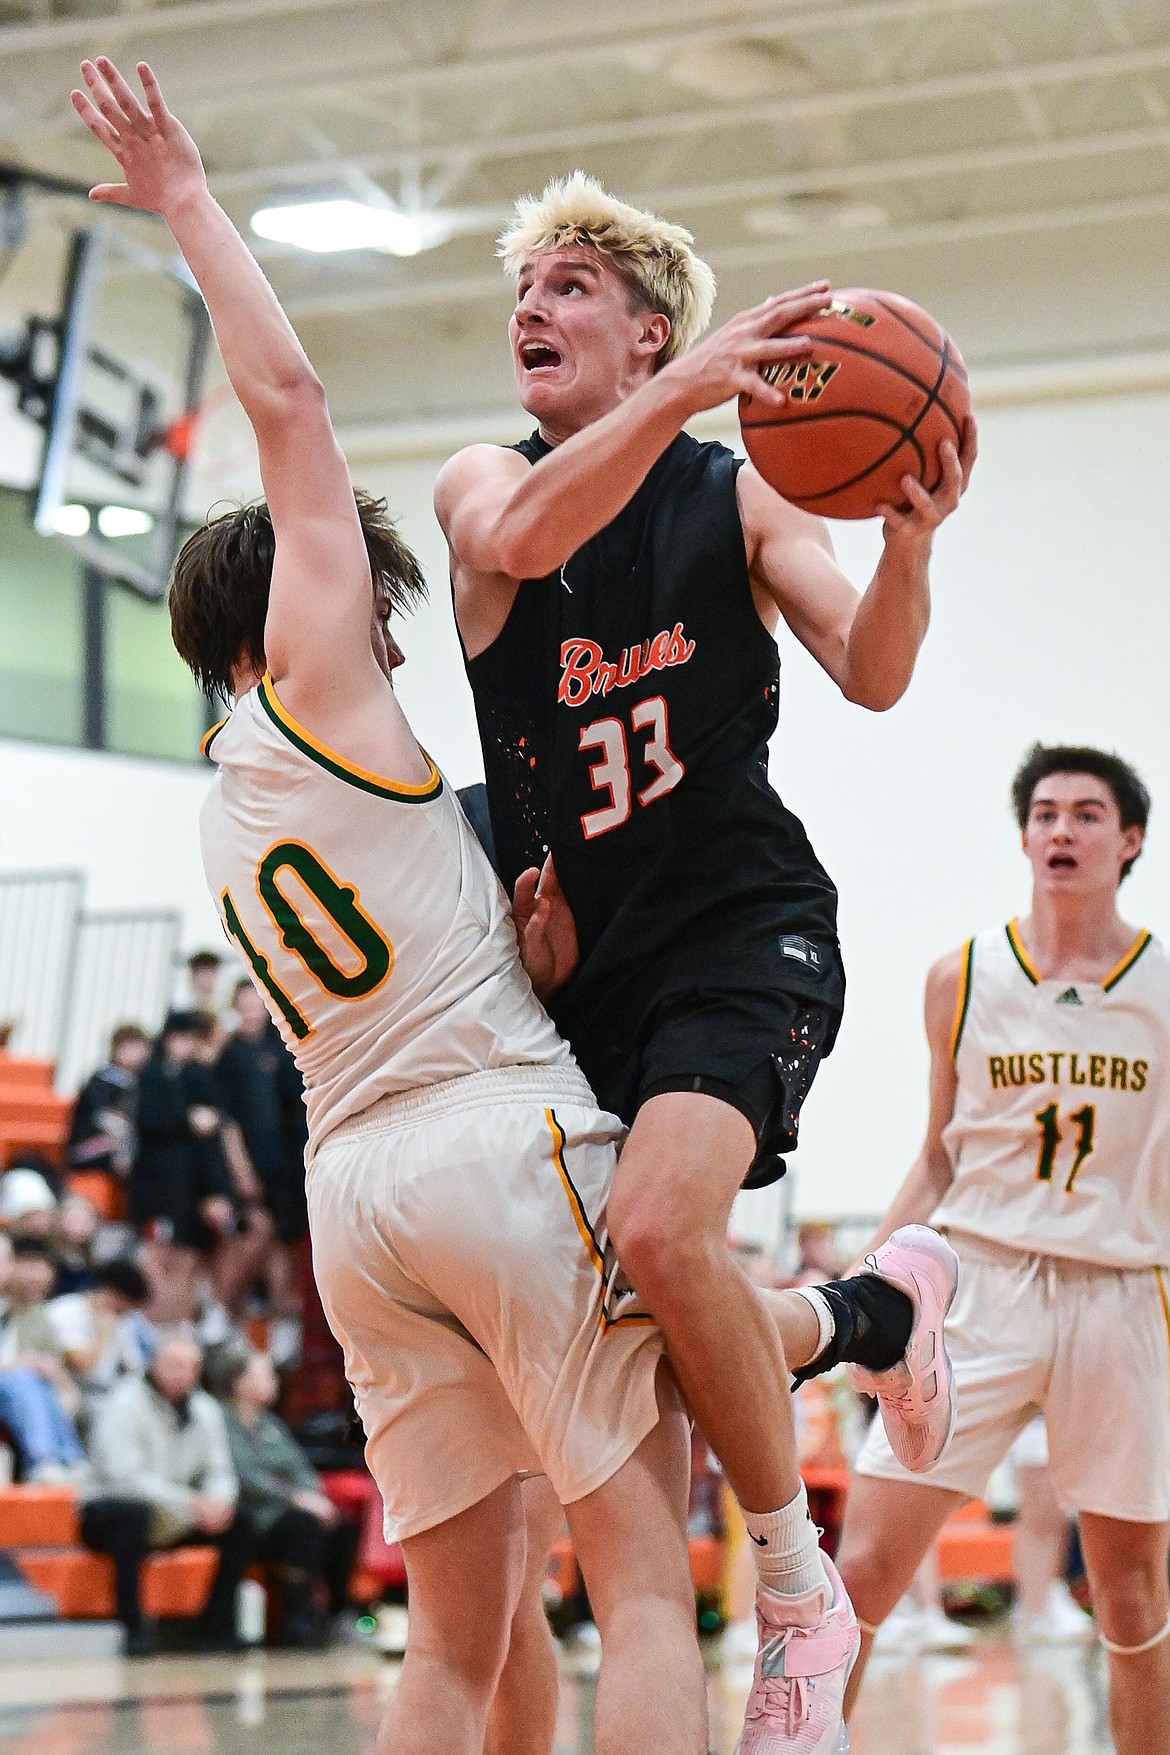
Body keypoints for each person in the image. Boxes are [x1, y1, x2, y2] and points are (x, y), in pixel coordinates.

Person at [71, 57, 711, 1755]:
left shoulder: (225, 815)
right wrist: (195, 201)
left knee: (460, 1651)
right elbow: (287, 401)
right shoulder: (324, 680)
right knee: (644, 1591)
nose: (401, 640)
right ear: (288, 609)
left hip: (352, 1197)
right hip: (490, 1141)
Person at [436, 172, 973, 1746]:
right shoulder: (491, 478)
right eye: (521, 288)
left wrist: (915, 548)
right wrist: (683, 386)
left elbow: (868, 672)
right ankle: (870, 1316)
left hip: (746, 930)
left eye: (569, 286)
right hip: (574, 985)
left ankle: (799, 1591)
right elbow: (524, 530)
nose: (530, 307)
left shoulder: (733, 490)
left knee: (666, 1232)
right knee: (651, 1359)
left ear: (649, 327)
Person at [834, 744, 1170, 1755]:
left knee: (1127, 1592)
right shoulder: (963, 974)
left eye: (1087, 814)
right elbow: (935, 1153)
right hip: (979, 1289)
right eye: (1046, 814)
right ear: (1024, 837)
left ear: (1131, 841)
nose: (1062, 830)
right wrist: (870, 1294)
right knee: (856, 1575)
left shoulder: (1162, 982)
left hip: (1119, 1292)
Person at [82, 1330, 252, 1654]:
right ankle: (133, 1628)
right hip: (108, 1507)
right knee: (132, 1517)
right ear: (154, 1364)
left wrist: (219, 1503)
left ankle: (214, 1628)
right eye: (174, 1364)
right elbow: (124, 1479)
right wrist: (192, 1503)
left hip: (177, 1511)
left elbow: (220, 1470)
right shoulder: (123, 1403)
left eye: (191, 1366)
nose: (182, 1373)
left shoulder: (207, 1410)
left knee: (239, 1523)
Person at [211, 1345, 358, 1644]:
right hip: (250, 1516)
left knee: (342, 1526)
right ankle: (298, 1620)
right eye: (265, 1375)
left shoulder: (271, 1424)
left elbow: (301, 1467)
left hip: (283, 1514)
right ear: (240, 1381)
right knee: (301, 1527)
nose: (274, 1382)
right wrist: (294, 1497)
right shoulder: (219, 1421)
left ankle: (337, 1613)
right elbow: (244, 1475)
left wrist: (312, 1496)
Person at [0, 1236, 88, 1480]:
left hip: (22, 1395)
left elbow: (66, 1389)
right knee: (22, 1379)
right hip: (13, 1386)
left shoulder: (32, 1314)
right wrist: (20, 1365)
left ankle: (71, 1463)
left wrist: (58, 1378)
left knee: (38, 1381)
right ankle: (43, 1461)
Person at [67, 1023, 151, 1198]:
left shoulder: (144, 1083)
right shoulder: (102, 1081)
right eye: (129, 1047)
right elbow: (104, 1119)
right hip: (89, 1148)